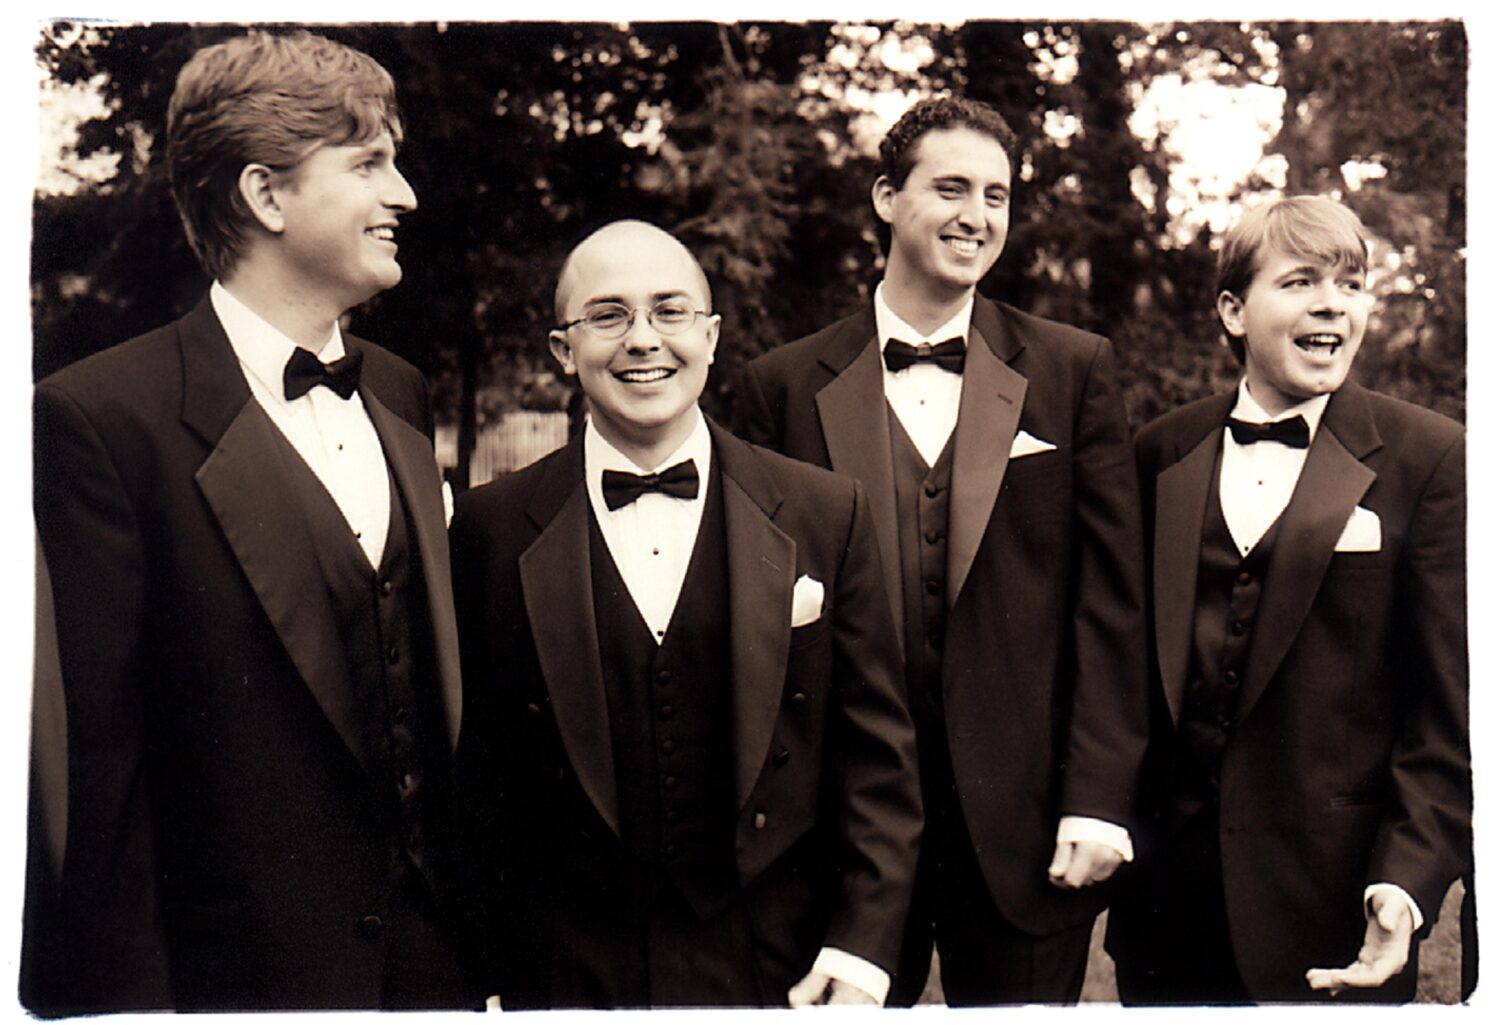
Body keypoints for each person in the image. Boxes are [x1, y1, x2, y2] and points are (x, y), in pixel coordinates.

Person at [27, 30, 471, 1011]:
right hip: (240, 987)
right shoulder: (100, 420)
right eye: (368, 164)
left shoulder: (400, 391)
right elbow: (101, 790)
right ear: (265, 195)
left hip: (432, 974)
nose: (405, 195)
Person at [735, 95, 1148, 1005]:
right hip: (838, 835)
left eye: (997, 195)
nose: (978, 216)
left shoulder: (1073, 369)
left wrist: (1097, 796)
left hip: (1025, 826)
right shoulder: (780, 387)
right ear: (887, 197)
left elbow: (1112, 606)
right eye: (952, 188)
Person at [450, 219, 922, 1009]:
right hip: (564, 975)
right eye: (608, 315)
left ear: (711, 336)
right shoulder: (488, 528)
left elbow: (878, 759)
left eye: (670, 311)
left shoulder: (824, 511)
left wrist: (861, 950)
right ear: (564, 349)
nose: (643, 339)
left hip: (776, 968)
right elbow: (477, 779)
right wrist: (488, 977)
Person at [1105, 195, 1469, 1003]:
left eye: (1351, 284)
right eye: (1301, 281)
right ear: (1233, 310)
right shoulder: (1160, 451)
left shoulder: (1432, 458)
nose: (1332, 304)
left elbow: (1448, 714)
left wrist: (1405, 882)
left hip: (1334, 909)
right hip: (1165, 916)